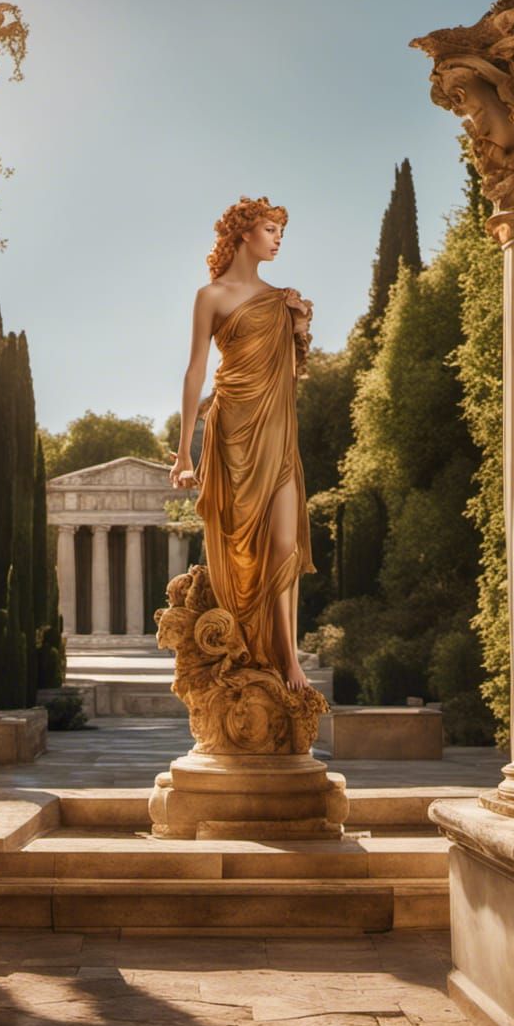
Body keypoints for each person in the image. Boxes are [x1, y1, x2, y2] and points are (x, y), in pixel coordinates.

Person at [168, 195, 316, 692]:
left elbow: (291, 378)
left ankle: (288, 658)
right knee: (238, 553)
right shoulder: (210, 296)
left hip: (278, 435)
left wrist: (298, 331)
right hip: (232, 433)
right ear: (244, 233)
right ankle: (248, 651)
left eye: (281, 232)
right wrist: (184, 448)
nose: (277, 239)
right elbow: (195, 371)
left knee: (286, 543)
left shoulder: (283, 300)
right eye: (271, 229)